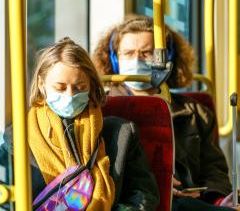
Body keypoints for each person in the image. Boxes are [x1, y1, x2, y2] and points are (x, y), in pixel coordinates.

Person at [92, 15, 239, 211]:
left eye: (146, 53)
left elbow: (214, 171)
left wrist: (217, 199)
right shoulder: (103, 109)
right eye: (128, 53)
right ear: (114, 59)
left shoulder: (196, 113)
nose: (136, 60)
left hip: (192, 200)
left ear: (166, 58)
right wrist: (159, 186)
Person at [0, 37, 159, 210]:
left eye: (80, 87)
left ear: (91, 85)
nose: (70, 95)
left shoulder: (120, 134)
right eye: (60, 88)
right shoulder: (17, 139)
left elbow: (143, 196)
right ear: (41, 84)